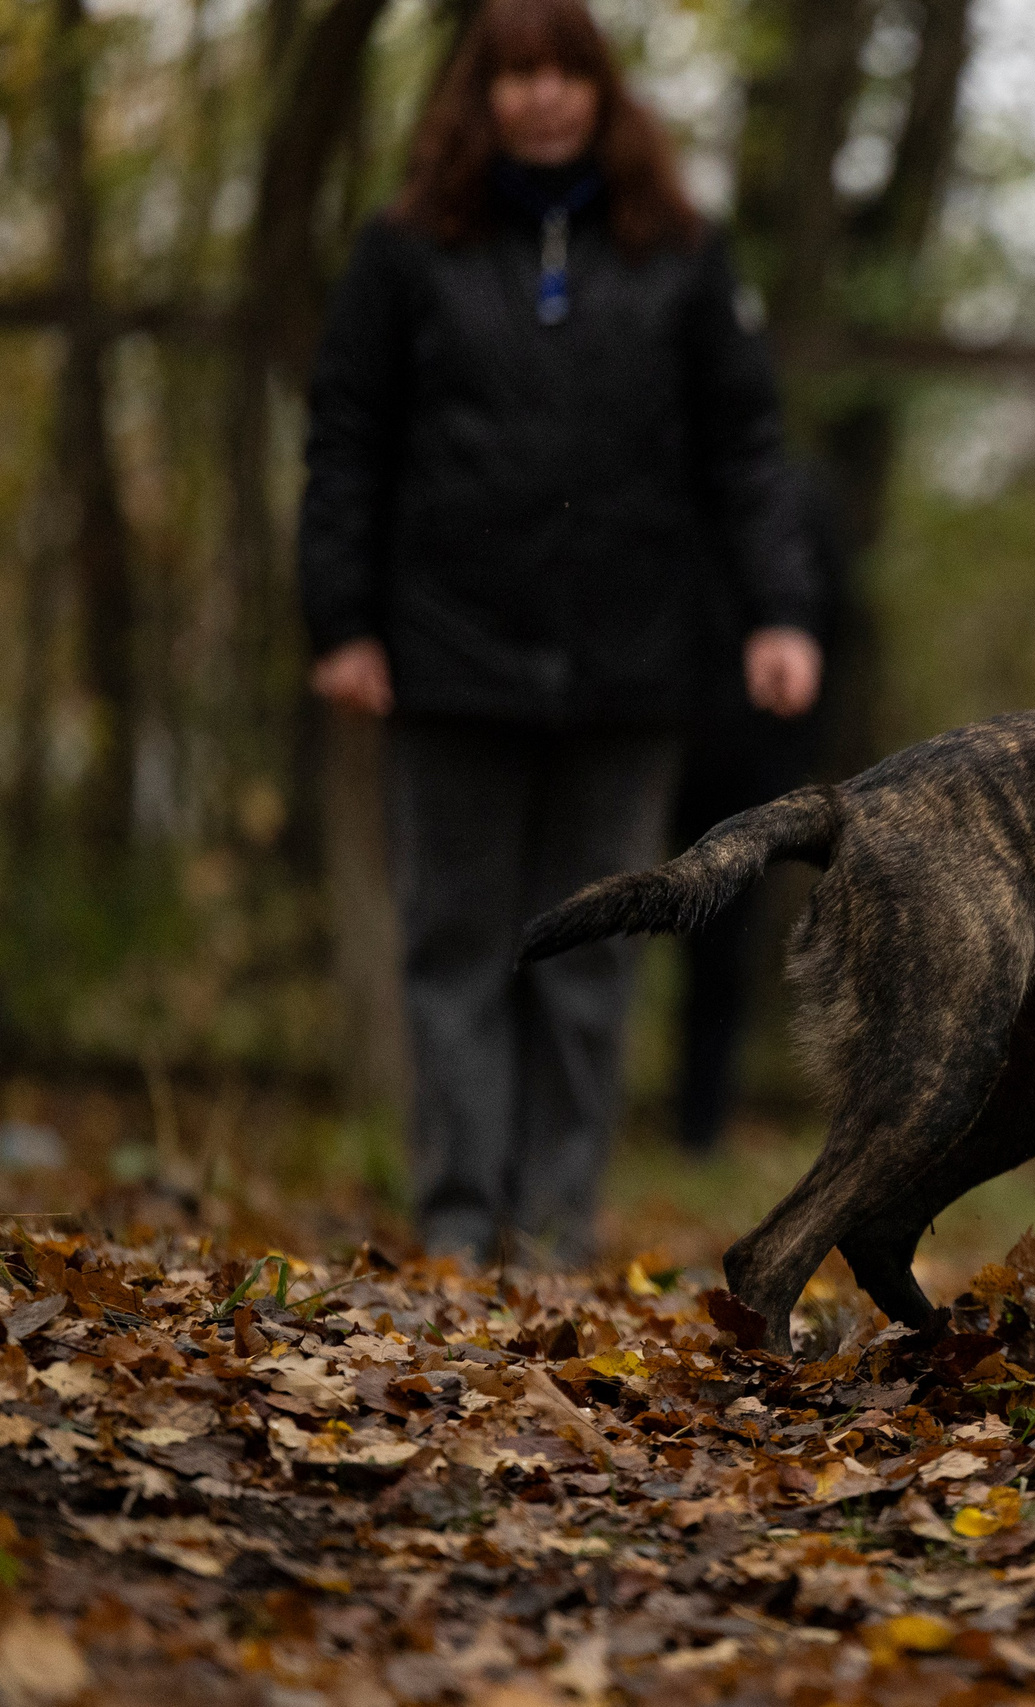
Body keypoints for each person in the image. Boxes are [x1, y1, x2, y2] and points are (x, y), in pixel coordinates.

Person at [297, 0, 823, 1265]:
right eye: (514, 74)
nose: (539, 96)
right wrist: (344, 621)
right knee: (457, 945)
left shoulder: (681, 252)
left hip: (633, 664)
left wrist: (779, 611)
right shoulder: (405, 249)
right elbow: (346, 442)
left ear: (599, 90)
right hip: (445, 656)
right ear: (479, 97)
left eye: (562, 72)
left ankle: (555, 1223)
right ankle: (460, 1220)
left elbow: (745, 448)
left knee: (595, 952)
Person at [668, 463, 841, 1155]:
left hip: (749, 759)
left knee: (721, 950)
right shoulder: (654, 493)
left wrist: (795, 753)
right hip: (643, 739)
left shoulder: (798, 505)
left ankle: (699, 1122)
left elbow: (834, 630)